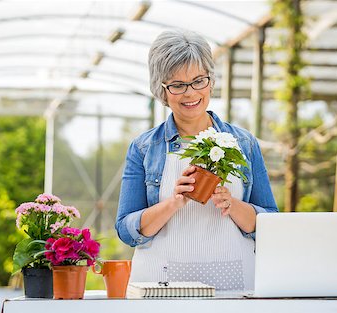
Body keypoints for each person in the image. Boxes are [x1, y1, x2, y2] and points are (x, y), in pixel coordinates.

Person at [115, 29, 278, 291]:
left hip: (235, 283)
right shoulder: (145, 148)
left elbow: (270, 224)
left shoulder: (244, 143)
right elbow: (126, 230)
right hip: (161, 285)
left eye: (198, 81)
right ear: (162, 90)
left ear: (211, 81)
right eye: (177, 85)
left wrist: (232, 204)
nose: (190, 93)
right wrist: (173, 203)